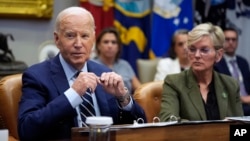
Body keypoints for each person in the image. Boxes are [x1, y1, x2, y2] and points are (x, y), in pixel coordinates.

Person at [18, 7, 146, 141]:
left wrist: (123, 98)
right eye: (70, 35)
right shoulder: (37, 76)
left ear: (93, 39)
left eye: (85, 36)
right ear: (57, 39)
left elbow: (140, 125)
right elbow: (26, 129)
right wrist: (73, 94)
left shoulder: (105, 73)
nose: (78, 44)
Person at [159, 23, 243, 122]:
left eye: (204, 50)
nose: (197, 55)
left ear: (218, 55)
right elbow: (168, 121)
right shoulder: (173, 83)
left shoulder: (231, 85)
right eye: (192, 49)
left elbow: (240, 127)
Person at [93, 27, 141, 94]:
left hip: (126, 102)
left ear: (118, 47)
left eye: (114, 42)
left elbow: (140, 90)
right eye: (106, 42)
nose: (110, 46)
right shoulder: (91, 65)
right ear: (98, 45)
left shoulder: (125, 65)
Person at [214, 27, 250, 116]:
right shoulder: (216, 63)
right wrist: (243, 99)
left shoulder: (243, 62)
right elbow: (221, 92)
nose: (231, 42)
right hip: (231, 105)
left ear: (237, 42)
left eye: (234, 39)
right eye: (227, 39)